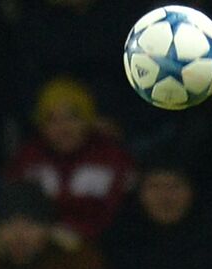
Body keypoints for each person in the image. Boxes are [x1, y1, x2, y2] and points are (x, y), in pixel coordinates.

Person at [8, 76, 135, 240]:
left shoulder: (113, 157)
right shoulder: (27, 160)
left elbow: (121, 212)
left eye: (72, 117)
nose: (63, 128)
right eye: (52, 119)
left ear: (88, 120)